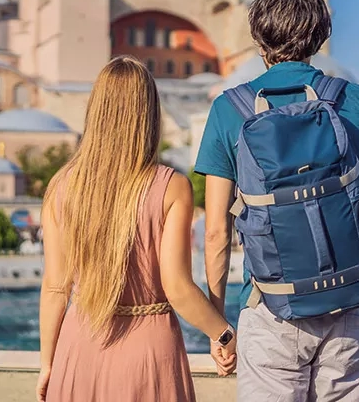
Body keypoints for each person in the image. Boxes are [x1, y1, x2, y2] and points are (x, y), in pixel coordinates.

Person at [195, 0, 359, 401]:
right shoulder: (357, 100)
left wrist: (219, 326)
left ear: (257, 37)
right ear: (322, 34)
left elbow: (217, 232)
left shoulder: (228, 109)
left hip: (270, 304)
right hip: (352, 303)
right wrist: (340, 250)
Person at [37, 57, 236, 402]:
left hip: (78, 347)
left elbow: (55, 288)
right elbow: (177, 287)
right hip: (148, 351)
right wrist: (223, 334)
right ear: (150, 113)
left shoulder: (61, 186)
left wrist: (46, 364)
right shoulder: (171, 186)